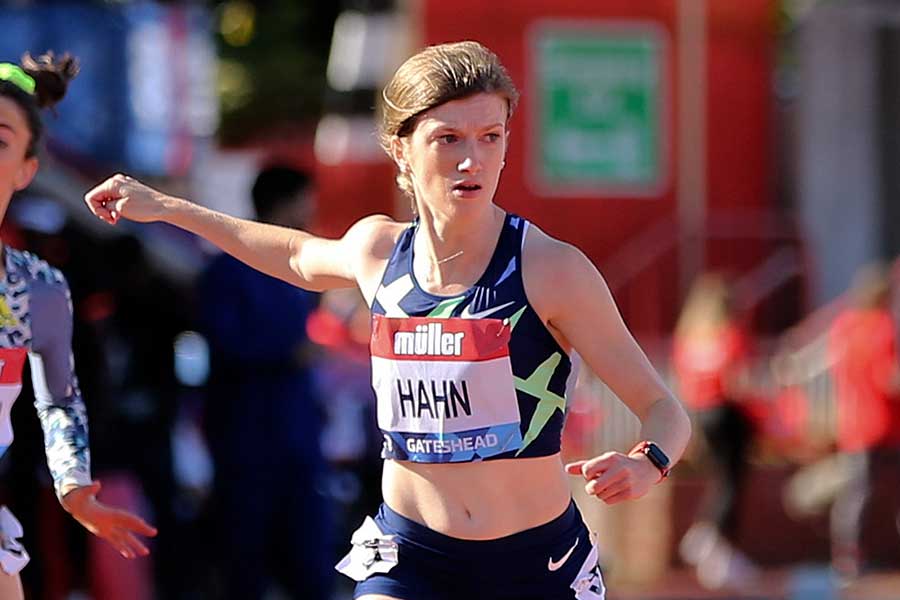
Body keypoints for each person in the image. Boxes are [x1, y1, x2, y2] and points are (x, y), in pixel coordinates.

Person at [83, 41, 691, 600]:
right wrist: (165, 208)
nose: (472, 160)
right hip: (409, 557)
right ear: (402, 146)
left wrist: (648, 462)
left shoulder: (551, 269)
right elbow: (291, 252)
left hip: (535, 565)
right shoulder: (378, 252)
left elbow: (665, 410)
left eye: (490, 136)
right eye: (448, 138)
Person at [0, 52, 157, 599]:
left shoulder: (37, 285)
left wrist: (74, 488)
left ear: (27, 169)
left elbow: (58, 402)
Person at [197, 165, 333, 599]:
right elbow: (223, 344)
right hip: (246, 442)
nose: (311, 210)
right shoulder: (227, 271)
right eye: (303, 199)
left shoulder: (305, 269)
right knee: (245, 563)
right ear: (281, 203)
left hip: (299, 441)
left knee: (311, 564)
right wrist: (287, 353)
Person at [672, 274, 760, 589]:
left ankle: (710, 542)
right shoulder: (731, 334)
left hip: (703, 413)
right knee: (732, 480)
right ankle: (711, 539)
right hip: (729, 412)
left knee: (721, 478)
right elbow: (739, 381)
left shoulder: (691, 336)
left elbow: (684, 380)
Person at [826, 263, 900, 579]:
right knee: (868, 491)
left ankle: (846, 555)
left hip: (853, 422)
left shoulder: (844, 325)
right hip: (882, 422)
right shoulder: (882, 326)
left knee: (856, 491)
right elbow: (889, 378)